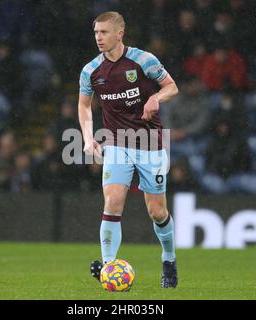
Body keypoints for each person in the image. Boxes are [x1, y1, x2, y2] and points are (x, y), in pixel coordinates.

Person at [78, 12, 179, 288]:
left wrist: (156, 98)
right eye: (96, 32)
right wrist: (88, 138)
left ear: (119, 33)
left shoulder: (143, 60)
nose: (98, 37)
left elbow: (172, 87)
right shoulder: (91, 71)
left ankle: (169, 259)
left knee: (157, 212)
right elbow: (84, 105)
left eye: (104, 32)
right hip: (117, 143)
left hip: (150, 143)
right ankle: (109, 268)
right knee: (112, 202)